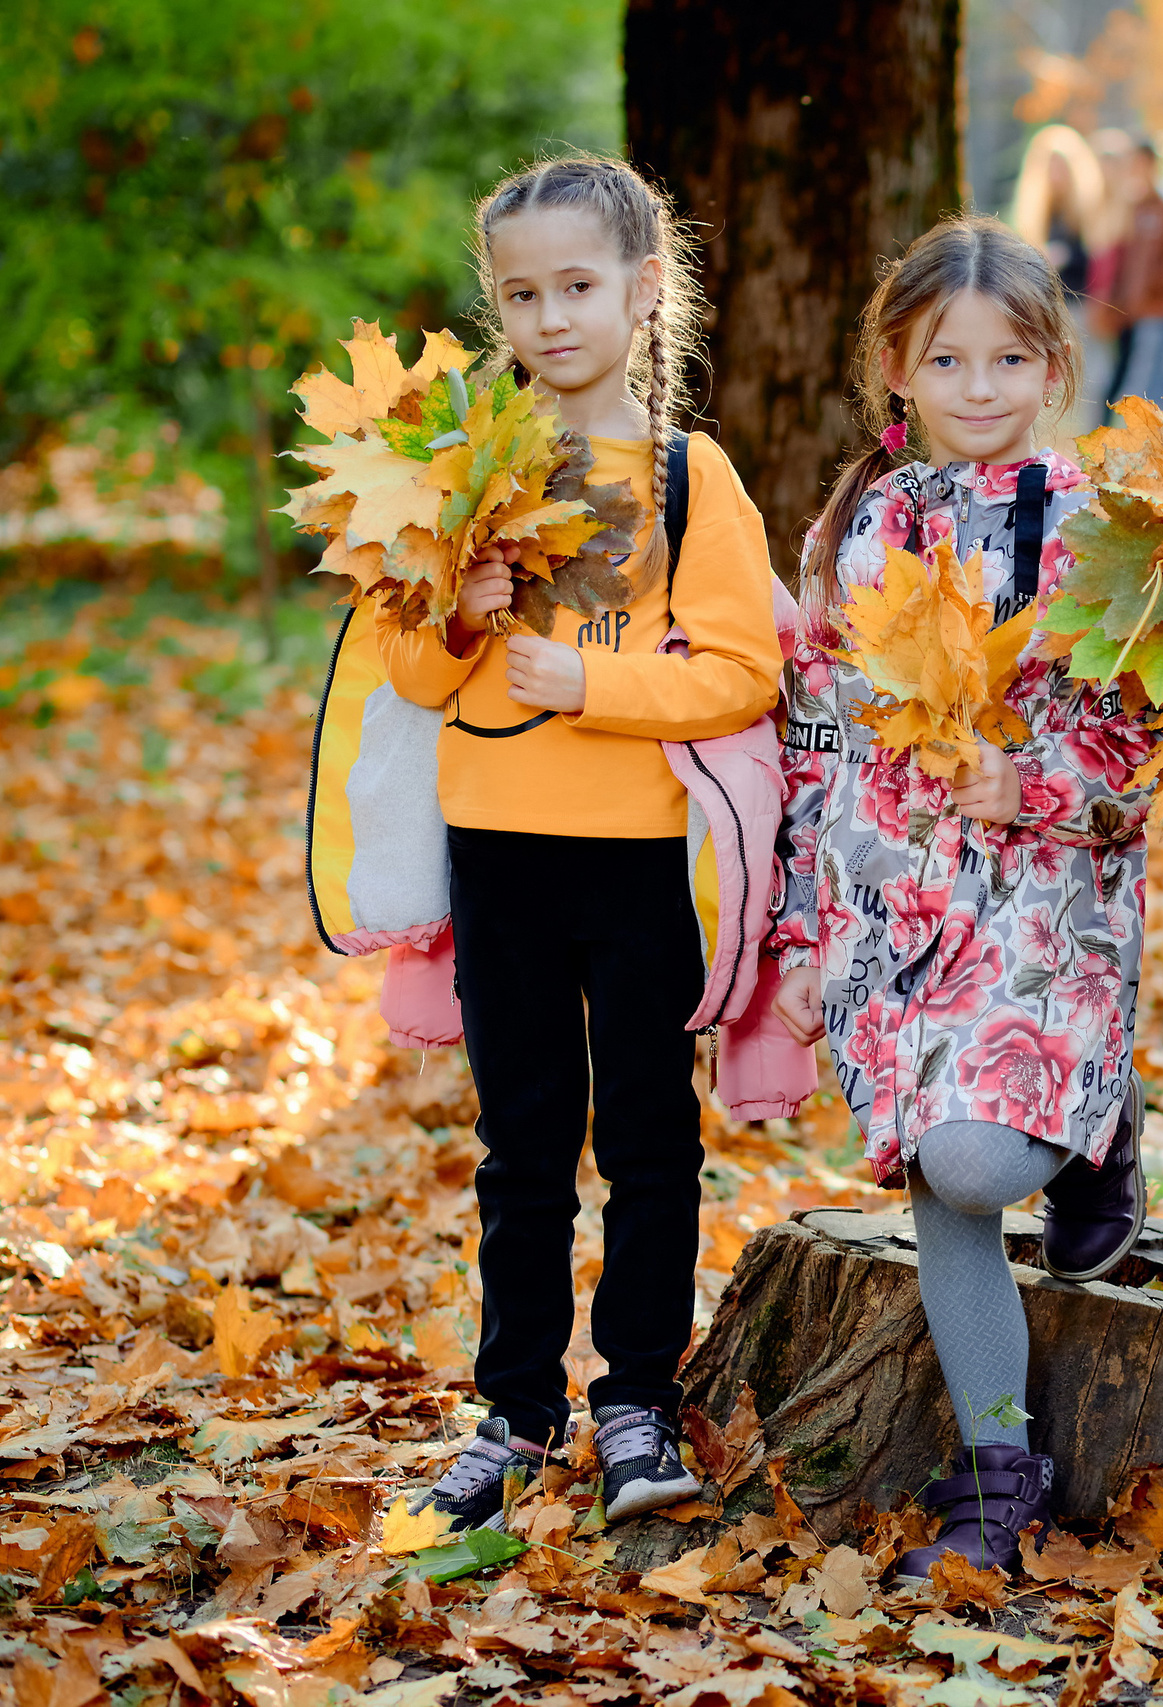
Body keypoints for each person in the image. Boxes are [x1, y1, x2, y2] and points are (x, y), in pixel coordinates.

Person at [387, 155, 786, 1528]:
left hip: (639, 858)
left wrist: (595, 686)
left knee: (651, 1135)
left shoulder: (691, 475)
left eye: (576, 285)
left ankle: (635, 1399)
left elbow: (742, 670)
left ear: (640, 287)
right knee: (523, 1140)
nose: (550, 315)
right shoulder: (468, 468)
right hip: (496, 850)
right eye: (520, 292)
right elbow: (410, 674)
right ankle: (512, 1409)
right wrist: (456, 608)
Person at [767, 217, 1155, 1580]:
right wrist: (808, 931)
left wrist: (1033, 785)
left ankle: (1096, 1120)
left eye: (1008, 357)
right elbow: (820, 730)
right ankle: (1003, 1471)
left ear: (1053, 365)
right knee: (943, 1177)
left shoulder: (1104, 526)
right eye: (949, 358)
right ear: (898, 366)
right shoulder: (864, 522)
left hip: (1049, 907)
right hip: (897, 909)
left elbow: (1145, 756)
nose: (979, 384)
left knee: (981, 1156)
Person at [1009, 124, 1119, 437]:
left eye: (1061, 166)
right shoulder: (1038, 212)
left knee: (1095, 380)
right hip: (1050, 311)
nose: (1056, 174)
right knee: (1051, 381)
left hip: (1086, 308)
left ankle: (1091, 444)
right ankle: (1055, 444)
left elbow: (1101, 257)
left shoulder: (1089, 208)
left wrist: (1065, 257)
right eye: (1050, 166)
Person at [1105, 138, 1163, 410]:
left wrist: (1152, 288)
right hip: (1141, 311)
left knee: (1146, 384)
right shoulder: (1135, 205)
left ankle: (1148, 442)